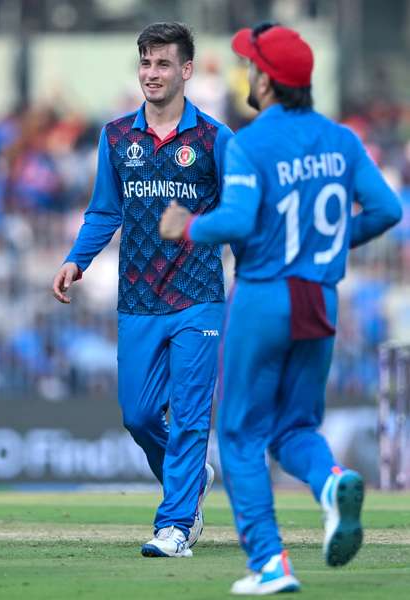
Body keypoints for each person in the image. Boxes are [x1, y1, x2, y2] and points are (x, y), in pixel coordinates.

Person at [159, 23, 402, 595]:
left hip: (266, 295)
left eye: (252, 65)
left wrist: (187, 226)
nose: (249, 74)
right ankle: (331, 481)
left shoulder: (251, 143)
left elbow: (239, 220)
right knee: (296, 427)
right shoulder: (341, 140)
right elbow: (387, 209)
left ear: (266, 81)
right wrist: (331, 245)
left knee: (241, 434)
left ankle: (270, 562)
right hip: (320, 298)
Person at [50, 22, 233, 557]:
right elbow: (105, 210)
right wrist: (74, 262)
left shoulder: (215, 139)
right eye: (146, 63)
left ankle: (175, 525)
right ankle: (192, 478)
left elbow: (239, 213)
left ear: (187, 71)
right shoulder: (115, 137)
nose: (152, 74)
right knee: (139, 415)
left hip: (198, 294)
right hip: (137, 298)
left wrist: (248, 266)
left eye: (163, 64)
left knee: (193, 414)